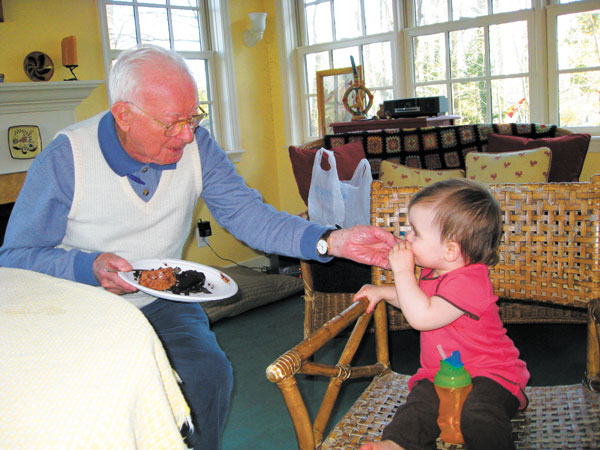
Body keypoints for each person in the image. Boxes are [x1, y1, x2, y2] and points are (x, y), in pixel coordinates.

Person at [0, 44, 397, 449]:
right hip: (82, 306)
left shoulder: (197, 145)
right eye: (172, 123)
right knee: (104, 401)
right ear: (123, 114)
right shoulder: (67, 158)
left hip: (162, 301)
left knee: (209, 376)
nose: (188, 135)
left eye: (193, 118)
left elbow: (249, 215)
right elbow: (14, 258)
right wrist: (89, 267)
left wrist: (332, 239)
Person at [354, 179, 529, 450]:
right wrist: (383, 292)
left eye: (416, 233)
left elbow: (423, 316)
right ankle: (395, 444)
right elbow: (420, 302)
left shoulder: (472, 281)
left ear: (450, 250)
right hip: (438, 374)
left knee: (479, 414)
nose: (408, 238)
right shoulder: (432, 272)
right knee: (417, 407)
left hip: (491, 374)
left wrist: (401, 272)